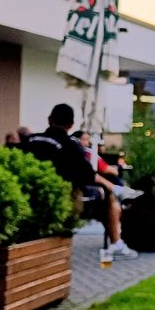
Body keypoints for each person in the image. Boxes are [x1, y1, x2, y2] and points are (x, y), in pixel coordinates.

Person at [23, 104, 137, 259]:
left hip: (28, 196)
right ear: (71, 125)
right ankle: (116, 243)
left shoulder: (30, 140)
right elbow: (87, 175)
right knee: (109, 197)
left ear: (49, 119)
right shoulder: (70, 145)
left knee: (105, 195)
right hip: (63, 198)